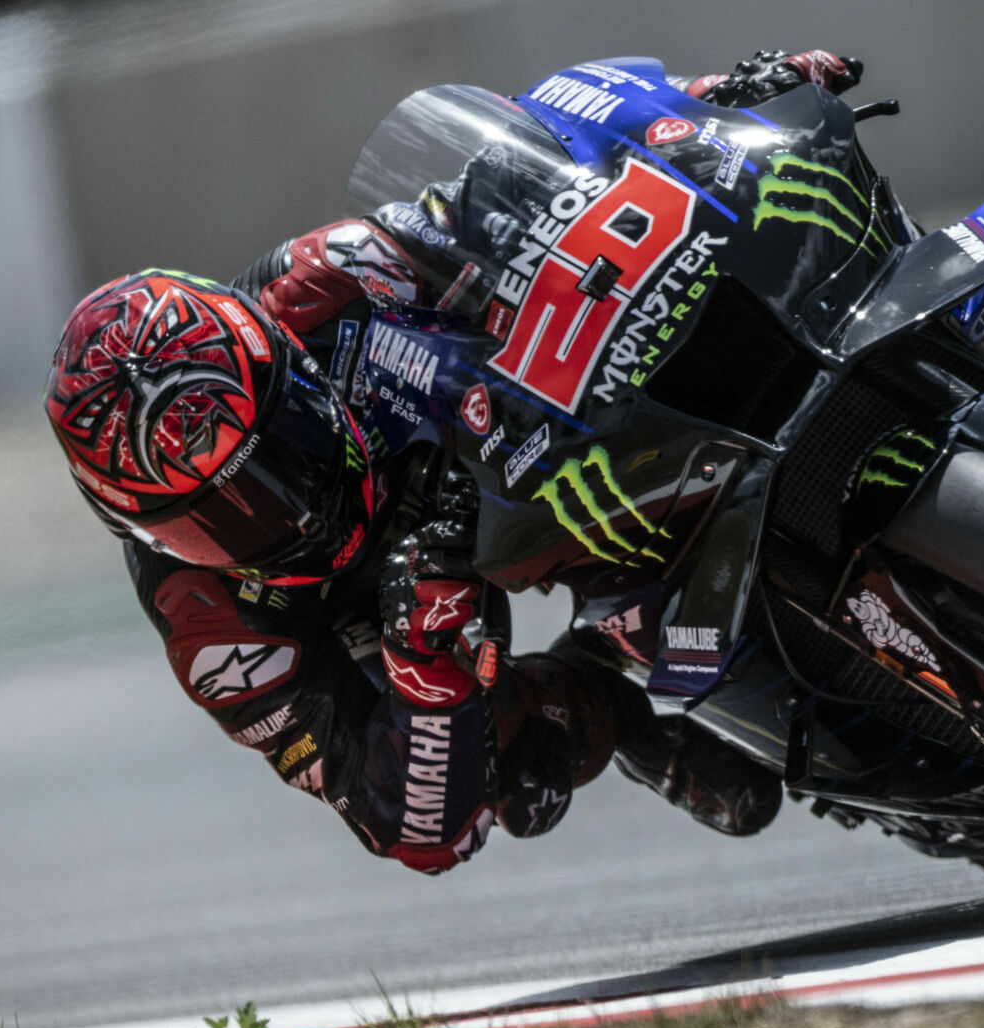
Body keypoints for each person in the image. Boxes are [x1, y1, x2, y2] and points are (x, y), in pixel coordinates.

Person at [43, 51, 861, 875]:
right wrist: (426, 674)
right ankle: (601, 685)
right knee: (522, 771)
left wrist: (706, 105)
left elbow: (523, 175)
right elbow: (419, 833)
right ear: (150, 533)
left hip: (503, 449)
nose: (284, 501)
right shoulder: (212, 628)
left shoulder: (328, 279)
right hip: (397, 610)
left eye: (283, 436)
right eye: (223, 515)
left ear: (282, 356)